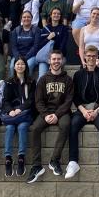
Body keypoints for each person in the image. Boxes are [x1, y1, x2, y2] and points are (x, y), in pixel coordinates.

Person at [65, 45, 99, 180]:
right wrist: (84, 111)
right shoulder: (78, 74)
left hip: (98, 109)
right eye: (89, 56)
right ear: (85, 57)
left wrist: (97, 111)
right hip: (83, 109)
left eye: (94, 56)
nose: (91, 58)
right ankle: (73, 162)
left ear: (97, 57)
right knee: (73, 126)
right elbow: (75, 96)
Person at [26, 51, 74, 184]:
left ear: (62, 61)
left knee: (65, 125)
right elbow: (38, 101)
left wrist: (57, 115)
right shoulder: (43, 79)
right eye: (54, 59)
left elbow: (68, 101)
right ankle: (36, 166)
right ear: (49, 61)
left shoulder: (68, 79)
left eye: (59, 59)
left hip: (62, 112)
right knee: (35, 128)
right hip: (46, 112)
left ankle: (55, 160)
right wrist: (46, 115)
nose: (56, 61)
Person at [0, 57, 35, 177]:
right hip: (12, 115)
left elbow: (31, 100)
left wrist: (20, 109)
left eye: (22, 64)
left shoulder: (31, 81)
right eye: (17, 64)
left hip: (25, 114)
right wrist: (10, 111)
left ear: (26, 66)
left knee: (22, 127)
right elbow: (5, 100)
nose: (20, 66)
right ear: (14, 67)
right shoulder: (9, 82)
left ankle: (21, 158)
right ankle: (8, 158)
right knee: (9, 128)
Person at [36, 7, 71, 78]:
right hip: (45, 57)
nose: (56, 15)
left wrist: (54, 59)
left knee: (56, 73)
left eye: (58, 14)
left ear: (60, 16)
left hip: (59, 56)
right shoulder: (45, 28)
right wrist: (48, 38)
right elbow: (39, 45)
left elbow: (63, 45)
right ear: (51, 15)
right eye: (54, 13)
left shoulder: (64, 28)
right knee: (41, 77)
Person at [10, 11, 42, 78]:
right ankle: (13, 84)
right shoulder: (16, 30)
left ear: (31, 18)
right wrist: (18, 57)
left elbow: (35, 46)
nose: (26, 19)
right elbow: (14, 47)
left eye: (28, 17)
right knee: (12, 66)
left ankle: (27, 84)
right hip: (18, 56)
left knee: (28, 65)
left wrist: (25, 58)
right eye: (24, 17)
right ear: (21, 19)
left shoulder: (36, 30)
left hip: (31, 56)